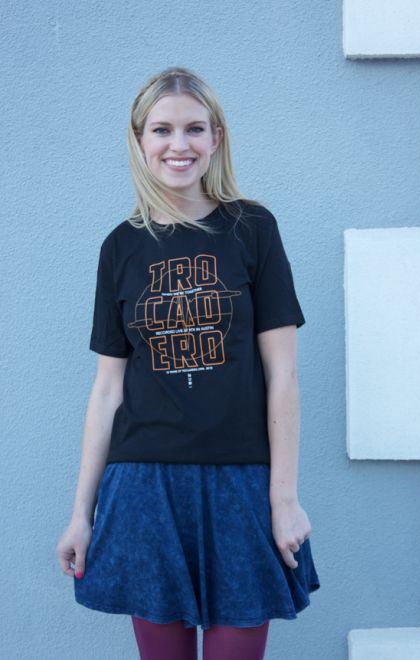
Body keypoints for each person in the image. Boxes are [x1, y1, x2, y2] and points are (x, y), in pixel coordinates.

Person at [55, 66, 320, 660]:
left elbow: (282, 375)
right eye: (162, 130)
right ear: (139, 140)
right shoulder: (120, 247)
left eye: (195, 129)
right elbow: (107, 391)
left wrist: (283, 499)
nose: (180, 145)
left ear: (216, 138)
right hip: (143, 488)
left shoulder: (253, 229)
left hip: (241, 484)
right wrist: (80, 514)